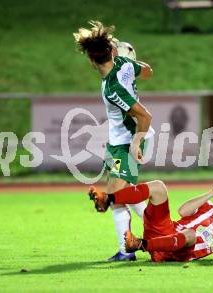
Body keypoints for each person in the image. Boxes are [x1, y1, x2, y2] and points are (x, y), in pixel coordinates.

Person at [73, 21, 155, 261]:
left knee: (115, 197)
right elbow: (148, 70)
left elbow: (144, 116)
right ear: (112, 52)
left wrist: (137, 141)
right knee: (124, 192)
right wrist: (133, 61)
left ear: (91, 60)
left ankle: (125, 250)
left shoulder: (113, 87)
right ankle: (163, 227)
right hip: (118, 140)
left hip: (127, 141)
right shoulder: (123, 64)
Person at [89, 175, 213, 262]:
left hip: (177, 252)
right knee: (158, 187)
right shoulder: (207, 205)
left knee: (191, 235)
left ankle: (139, 244)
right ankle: (108, 199)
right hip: (164, 232)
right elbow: (183, 210)